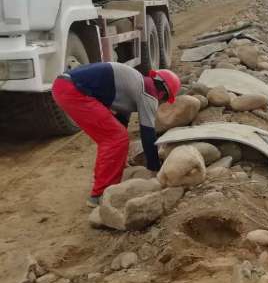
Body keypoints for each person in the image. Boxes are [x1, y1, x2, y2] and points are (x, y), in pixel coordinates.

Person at [52, 63, 180, 207]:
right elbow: (148, 133)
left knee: (114, 135)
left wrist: (122, 159)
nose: (160, 103)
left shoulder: (135, 83)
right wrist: (155, 168)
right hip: (74, 91)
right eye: (163, 100)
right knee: (115, 138)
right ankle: (99, 195)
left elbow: (121, 120)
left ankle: (107, 178)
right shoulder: (149, 93)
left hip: (64, 85)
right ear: (162, 93)